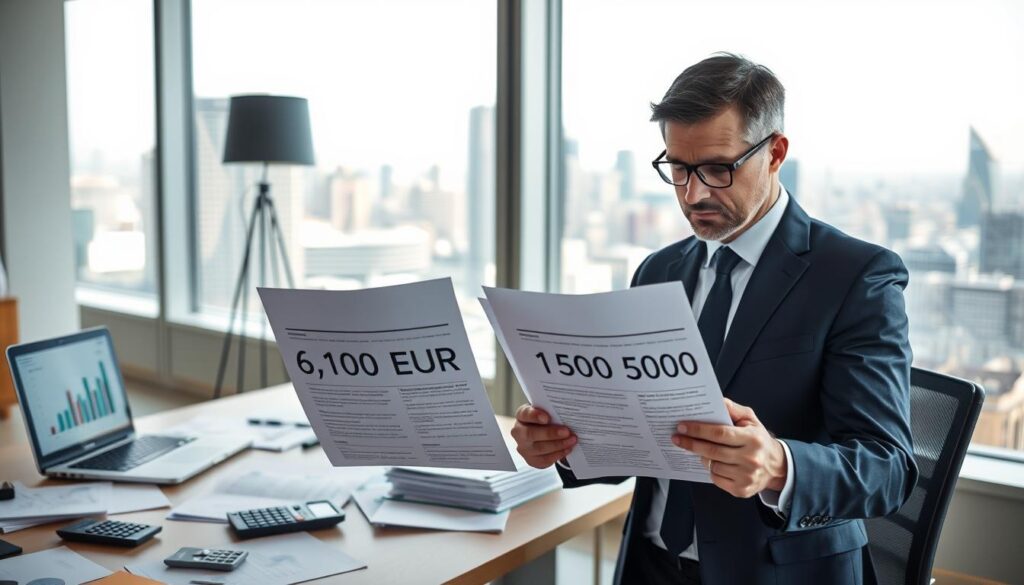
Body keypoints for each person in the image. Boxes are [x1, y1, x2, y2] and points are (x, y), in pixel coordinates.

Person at [509, 53, 918, 585]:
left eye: (718, 169)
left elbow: (888, 467)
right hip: (649, 566)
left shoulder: (856, 275)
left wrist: (779, 466)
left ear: (775, 153)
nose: (693, 193)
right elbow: (643, 441)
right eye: (678, 168)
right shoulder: (659, 270)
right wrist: (564, 447)